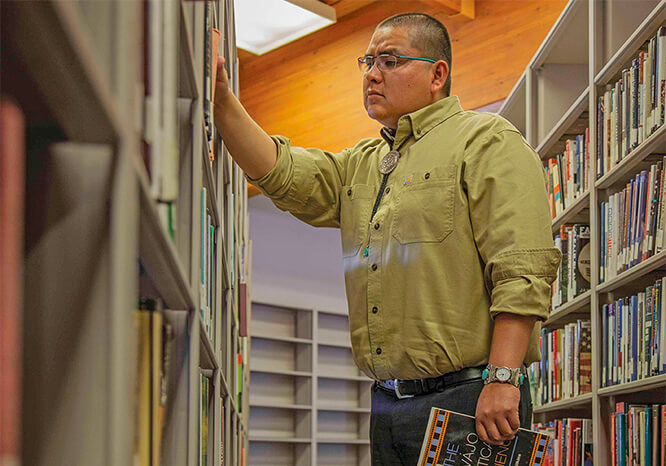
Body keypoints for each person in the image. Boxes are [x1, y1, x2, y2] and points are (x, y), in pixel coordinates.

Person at [214, 12, 560, 464]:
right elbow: (281, 173)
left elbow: (522, 267)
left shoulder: (486, 140)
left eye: (391, 60)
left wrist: (502, 379)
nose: (372, 74)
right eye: (368, 61)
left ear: (438, 74)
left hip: (470, 399)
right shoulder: (362, 162)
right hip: (387, 404)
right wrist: (221, 100)